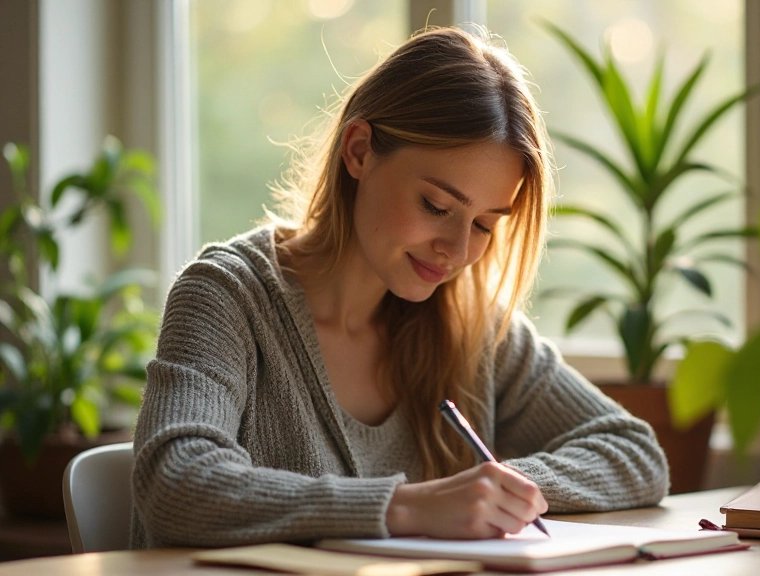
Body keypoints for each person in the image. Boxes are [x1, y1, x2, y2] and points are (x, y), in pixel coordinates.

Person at [130, 26, 669, 549]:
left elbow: (634, 452)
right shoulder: (225, 297)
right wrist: (409, 507)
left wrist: (495, 494)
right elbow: (175, 483)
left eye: (485, 224)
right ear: (360, 151)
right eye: (437, 206)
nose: (457, 252)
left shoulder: (470, 323)